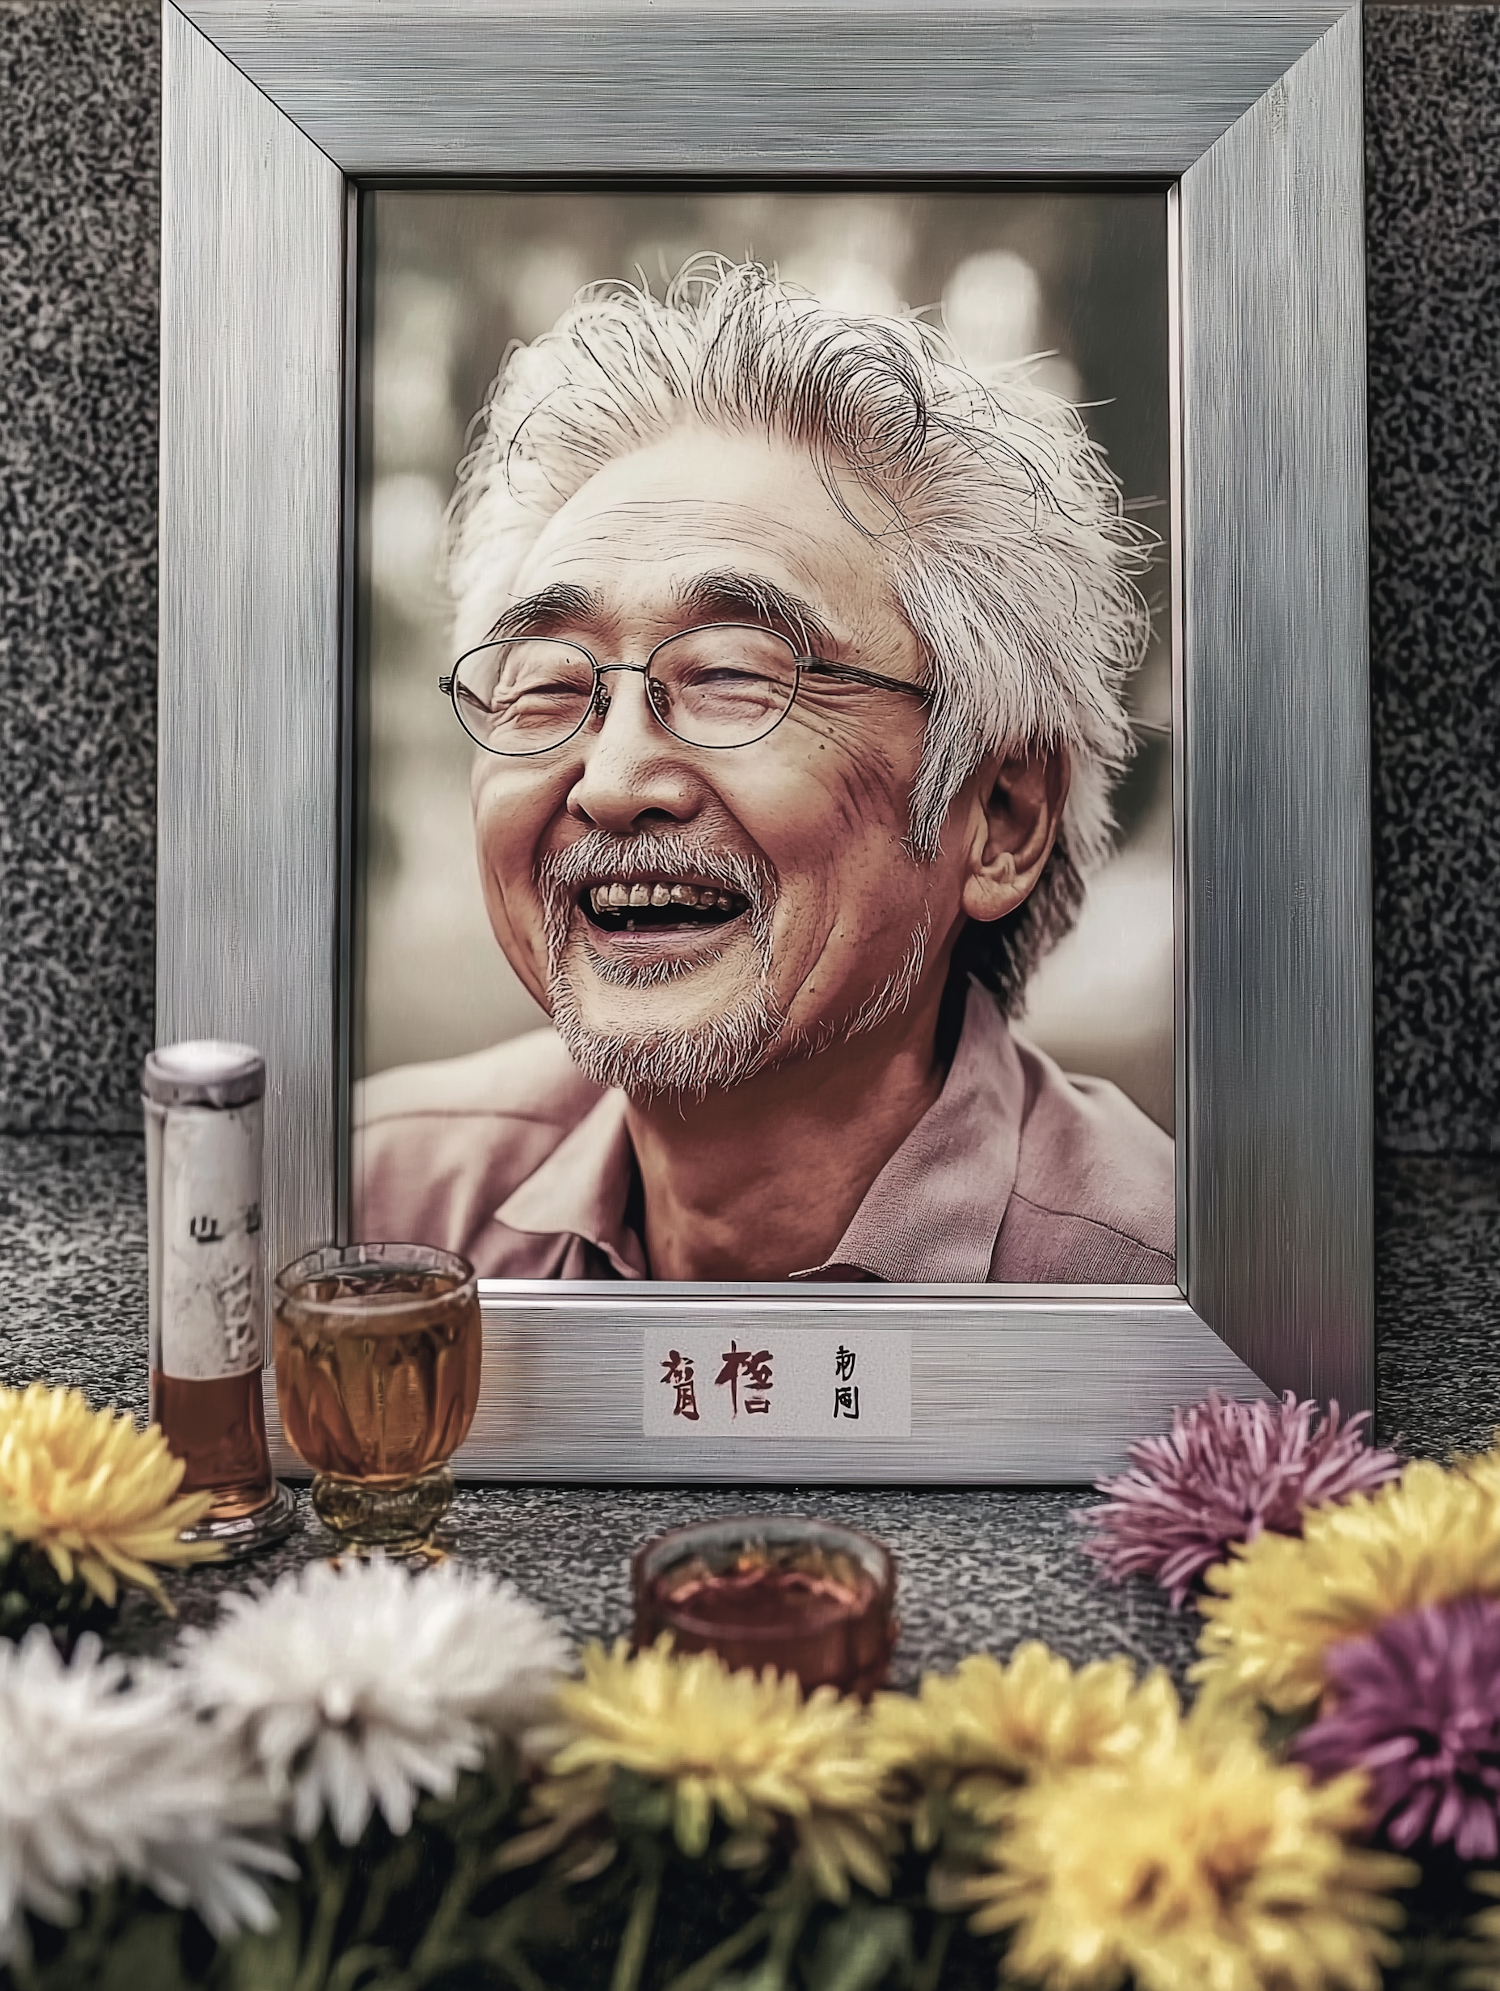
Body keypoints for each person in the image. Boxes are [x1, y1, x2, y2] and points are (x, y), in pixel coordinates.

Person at [353, 260, 1174, 1284]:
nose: (611, 781)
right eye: (550, 685)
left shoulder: (1173, 1305)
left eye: (735, 675)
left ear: (1002, 816)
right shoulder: (375, 1213)